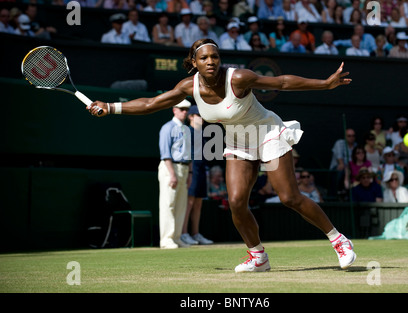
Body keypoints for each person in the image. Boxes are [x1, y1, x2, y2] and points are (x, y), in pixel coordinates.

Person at [86, 38, 355, 272]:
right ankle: (258, 256)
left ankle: (339, 240)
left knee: (289, 197)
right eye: (204, 58)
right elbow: (151, 104)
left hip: (268, 133)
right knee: (236, 202)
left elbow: (281, 82)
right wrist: (111, 107)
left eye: (215, 56)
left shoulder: (238, 78)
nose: (211, 61)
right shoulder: (188, 87)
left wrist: (325, 84)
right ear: (194, 62)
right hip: (238, 142)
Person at [157, 99, 192, 249]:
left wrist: (189, 172)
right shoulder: (167, 127)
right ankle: (166, 239)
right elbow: (165, 153)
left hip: (184, 169)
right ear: (174, 110)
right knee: (168, 203)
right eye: (181, 109)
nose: (184, 112)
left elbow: (188, 153)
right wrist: (172, 174)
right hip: (170, 168)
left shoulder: (186, 129)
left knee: (180, 205)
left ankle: (176, 237)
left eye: (186, 109)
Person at [181, 105, 214, 245]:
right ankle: (183, 234)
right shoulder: (187, 131)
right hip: (192, 168)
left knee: (198, 202)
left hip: (201, 169)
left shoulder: (203, 133)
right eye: (199, 115)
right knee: (189, 202)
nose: (202, 119)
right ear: (191, 117)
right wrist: (189, 171)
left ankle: (195, 234)